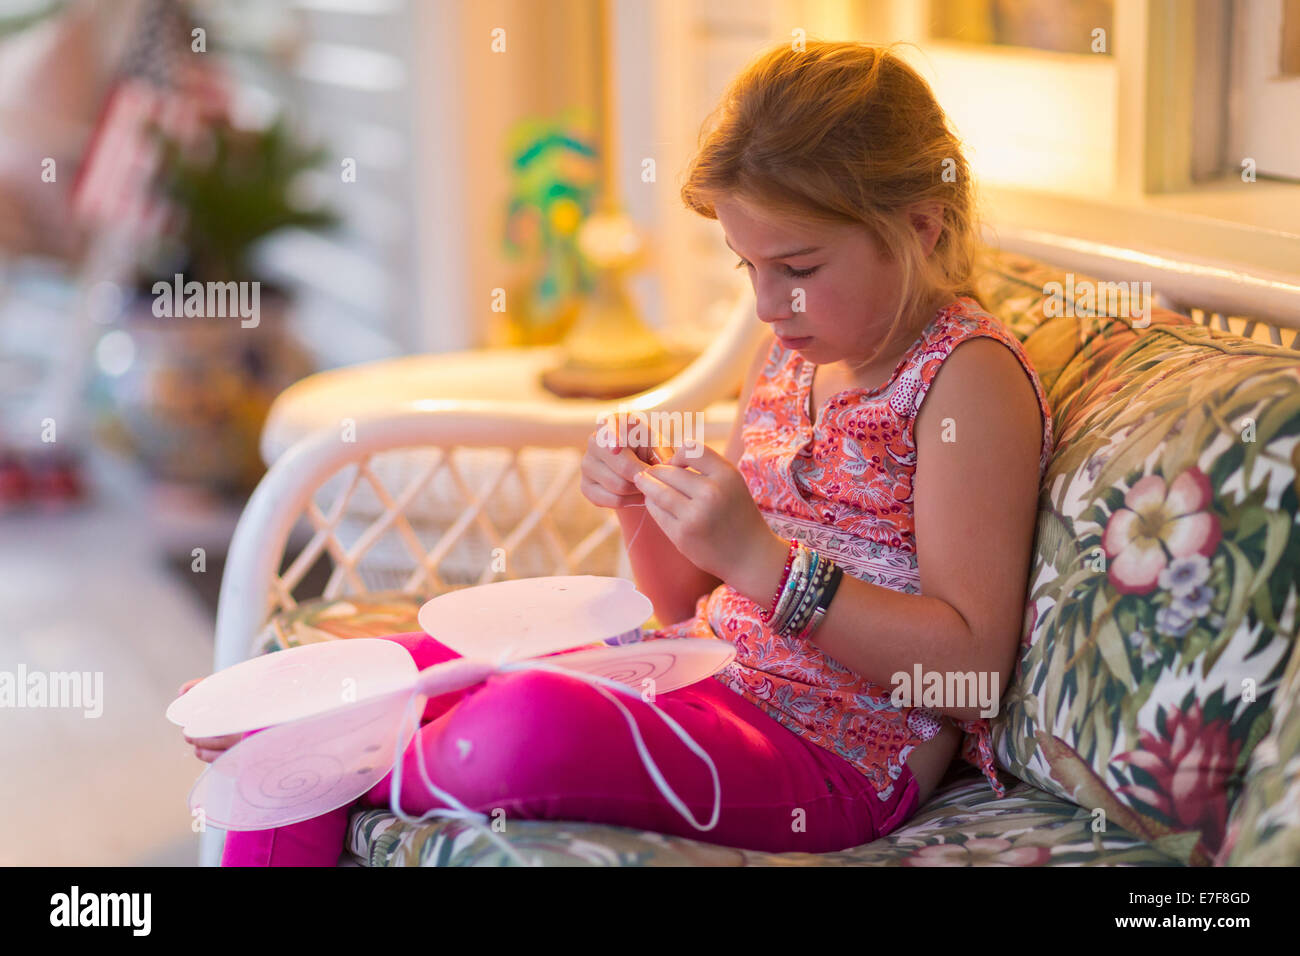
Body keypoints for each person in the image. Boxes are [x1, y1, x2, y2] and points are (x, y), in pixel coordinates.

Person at [179, 40, 1053, 866]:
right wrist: (646, 509)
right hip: (698, 672)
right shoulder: (791, 358)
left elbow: (968, 676)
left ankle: (324, 753)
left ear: (923, 227)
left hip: (831, 755)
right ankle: (325, 738)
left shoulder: (964, 381)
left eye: (797, 266)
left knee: (514, 725)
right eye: (745, 266)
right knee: (353, 674)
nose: (766, 305)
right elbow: (680, 602)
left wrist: (770, 566)